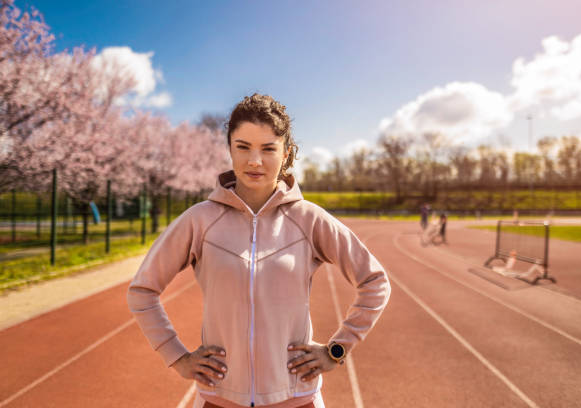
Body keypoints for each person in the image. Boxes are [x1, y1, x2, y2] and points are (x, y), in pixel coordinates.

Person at [126, 94, 391, 408]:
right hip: (218, 399)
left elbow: (375, 282)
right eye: (243, 147)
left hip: (298, 399)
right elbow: (142, 290)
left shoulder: (309, 219)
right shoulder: (200, 220)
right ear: (230, 149)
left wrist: (338, 348)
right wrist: (177, 355)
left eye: (268, 149)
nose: (255, 161)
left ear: (286, 154)